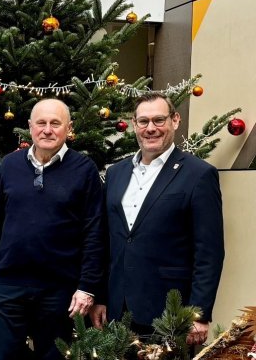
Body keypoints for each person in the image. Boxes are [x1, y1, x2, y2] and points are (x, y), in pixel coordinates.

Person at [0, 98, 104, 360]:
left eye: (55, 124)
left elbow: (94, 232)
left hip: (59, 287)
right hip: (9, 283)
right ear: (30, 128)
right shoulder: (11, 165)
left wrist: (88, 285)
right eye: (41, 123)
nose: (47, 130)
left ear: (68, 129)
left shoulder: (84, 170)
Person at [92, 93, 223, 343]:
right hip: (117, 310)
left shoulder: (199, 174)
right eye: (143, 121)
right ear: (134, 125)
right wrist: (100, 297)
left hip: (170, 312)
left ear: (175, 120)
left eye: (159, 120)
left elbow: (209, 251)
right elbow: (105, 241)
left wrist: (199, 313)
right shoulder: (116, 173)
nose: (150, 128)